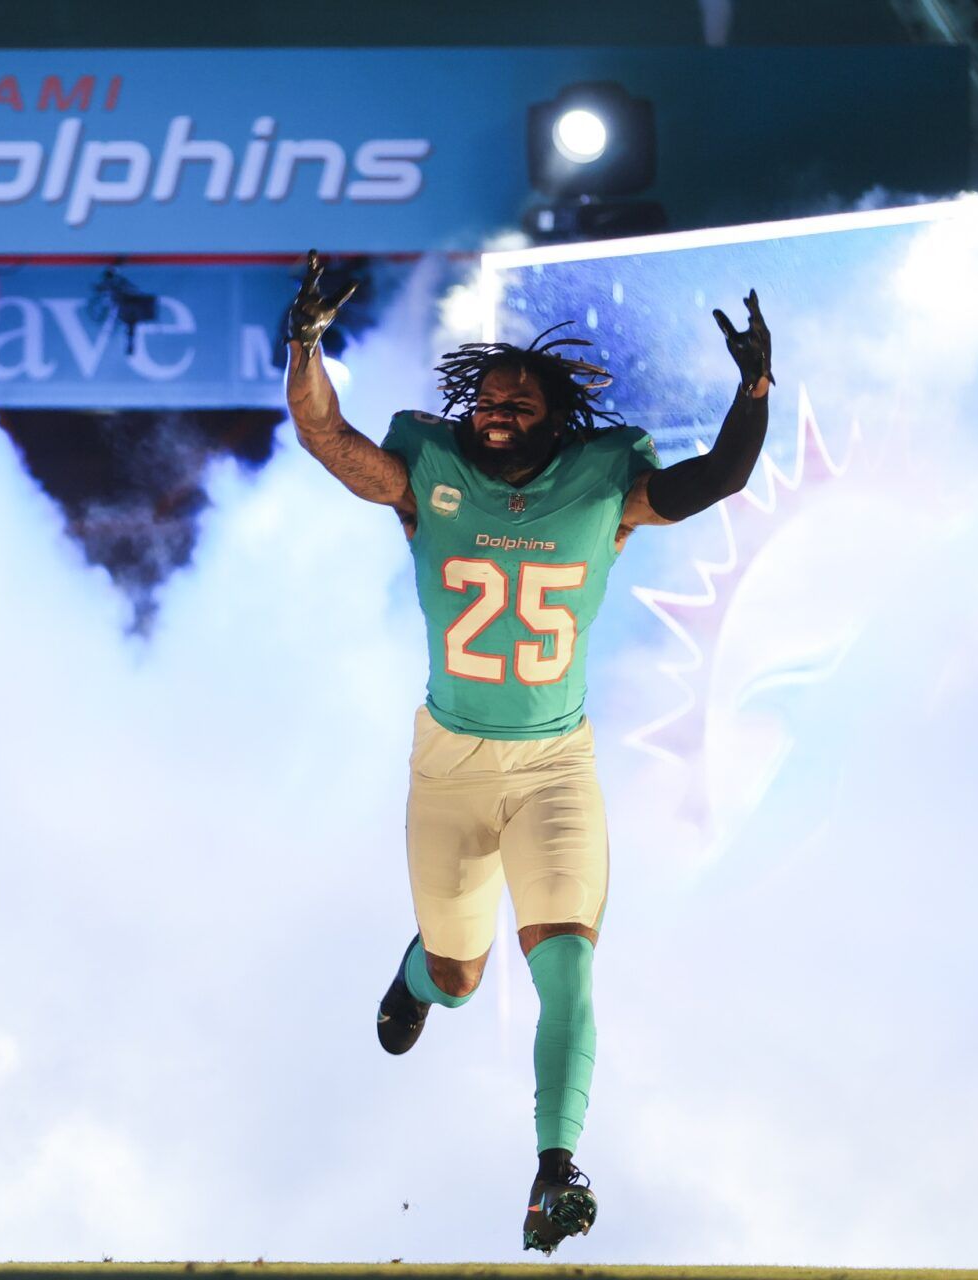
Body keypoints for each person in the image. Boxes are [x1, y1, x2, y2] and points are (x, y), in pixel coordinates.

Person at [283, 251, 772, 1254]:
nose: (497, 408)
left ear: (554, 415)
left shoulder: (608, 483)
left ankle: (557, 1169)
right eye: (489, 395)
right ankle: (418, 974)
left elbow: (718, 477)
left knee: (570, 974)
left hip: (553, 765)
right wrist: (304, 345)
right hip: (451, 764)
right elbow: (325, 432)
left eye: (518, 397)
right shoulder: (428, 470)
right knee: (462, 976)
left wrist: (754, 388)